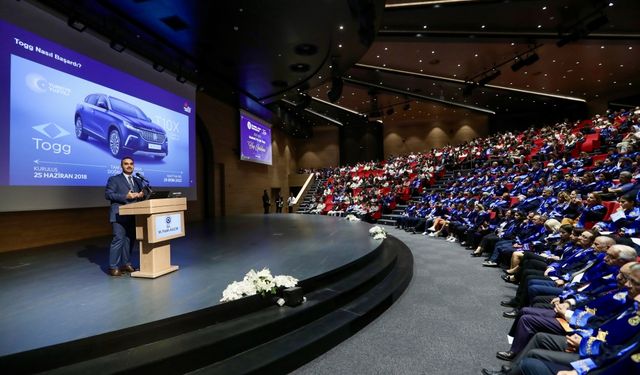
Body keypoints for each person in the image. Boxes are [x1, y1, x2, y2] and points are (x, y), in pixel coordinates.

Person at [105, 156, 146, 276]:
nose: (129, 166)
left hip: (134, 214)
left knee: (129, 240)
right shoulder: (114, 179)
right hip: (119, 214)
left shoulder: (138, 180)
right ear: (121, 166)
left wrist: (141, 195)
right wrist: (125, 196)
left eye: (131, 164)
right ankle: (113, 267)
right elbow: (108, 195)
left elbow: (141, 196)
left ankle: (126, 264)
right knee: (118, 239)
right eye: (126, 164)